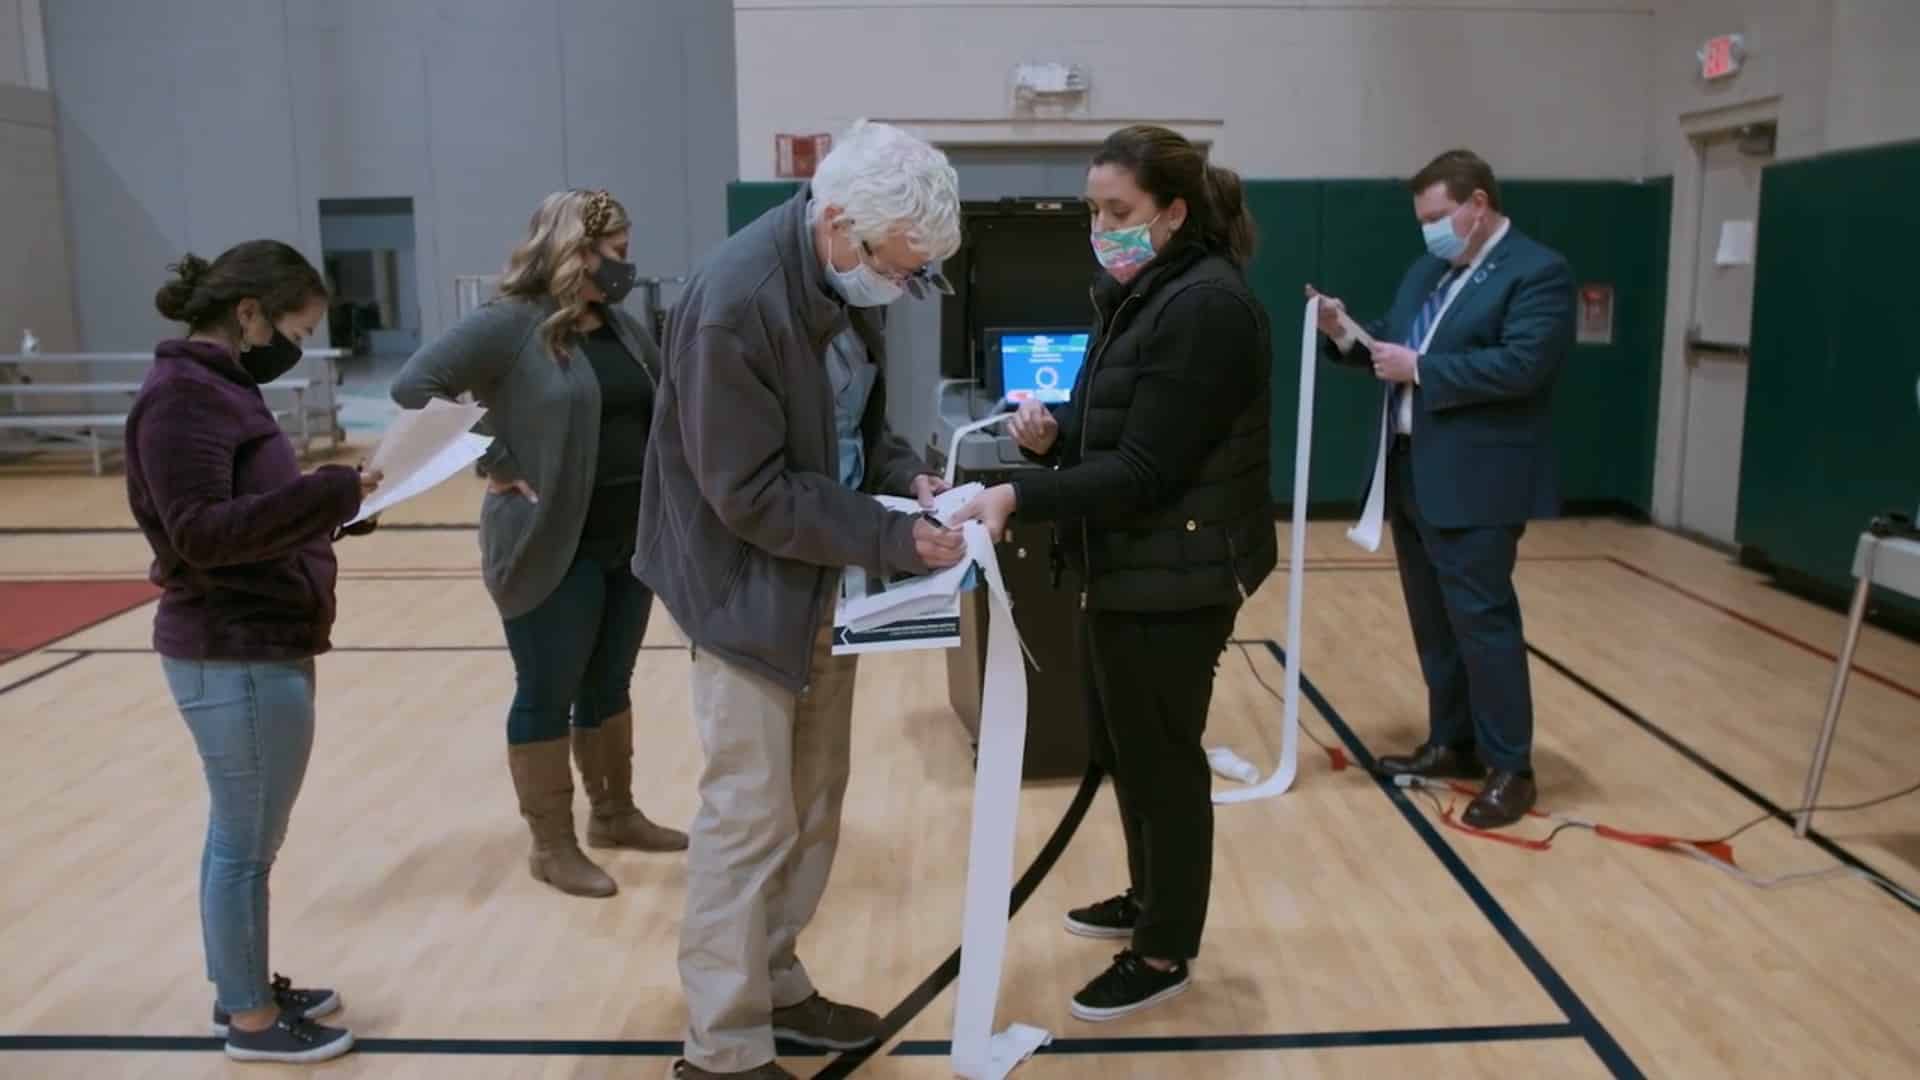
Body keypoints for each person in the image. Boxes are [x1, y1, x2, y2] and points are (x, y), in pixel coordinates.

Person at [631, 119, 966, 1080]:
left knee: (814, 802)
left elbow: (858, 425)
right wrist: (889, 534)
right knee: (747, 817)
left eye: (912, 277)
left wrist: (912, 479)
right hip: (744, 590)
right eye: (893, 271)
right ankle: (721, 1049)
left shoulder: (842, 277)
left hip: (819, 577)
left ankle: (774, 984)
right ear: (836, 222)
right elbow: (748, 493)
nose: (896, 291)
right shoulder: (735, 303)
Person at [954, 124, 1277, 1023]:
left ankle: (1166, 947)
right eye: (1095, 208)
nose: (1101, 225)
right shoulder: (1145, 293)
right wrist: (1056, 439)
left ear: (1174, 214)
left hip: (1178, 574)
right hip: (1130, 563)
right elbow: (1126, 429)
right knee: (1127, 750)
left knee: (1164, 765)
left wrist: (1017, 493)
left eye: (1119, 210)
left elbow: (1148, 470)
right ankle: (1149, 899)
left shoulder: (1205, 306)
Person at [391, 189, 686, 900]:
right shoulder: (510, 324)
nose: (625, 266)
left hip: (627, 537)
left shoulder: (620, 324)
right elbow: (414, 386)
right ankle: (551, 845)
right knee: (547, 691)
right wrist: (494, 459)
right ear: (572, 252)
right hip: (550, 541)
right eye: (613, 252)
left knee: (608, 684)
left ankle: (613, 814)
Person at [127, 240, 381, 1064]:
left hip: (259, 639)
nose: (296, 348)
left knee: (242, 840)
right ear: (249, 315)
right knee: (244, 845)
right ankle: (251, 1020)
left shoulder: (218, 389)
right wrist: (325, 494)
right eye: (296, 329)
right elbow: (200, 533)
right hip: (229, 649)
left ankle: (243, 988)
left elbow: (256, 504)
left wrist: (334, 507)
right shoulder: (185, 398)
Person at [1306, 148, 1574, 828]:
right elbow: (1391, 349)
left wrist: (1423, 368)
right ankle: (1453, 741)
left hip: (1479, 478)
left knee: (1484, 623)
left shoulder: (1537, 272)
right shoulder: (1430, 268)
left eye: (1437, 216)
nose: (1429, 230)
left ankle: (1511, 766)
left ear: (1477, 204)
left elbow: (1524, 365)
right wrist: (1344, 333)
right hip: (1409, 469)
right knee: (1435, 623)